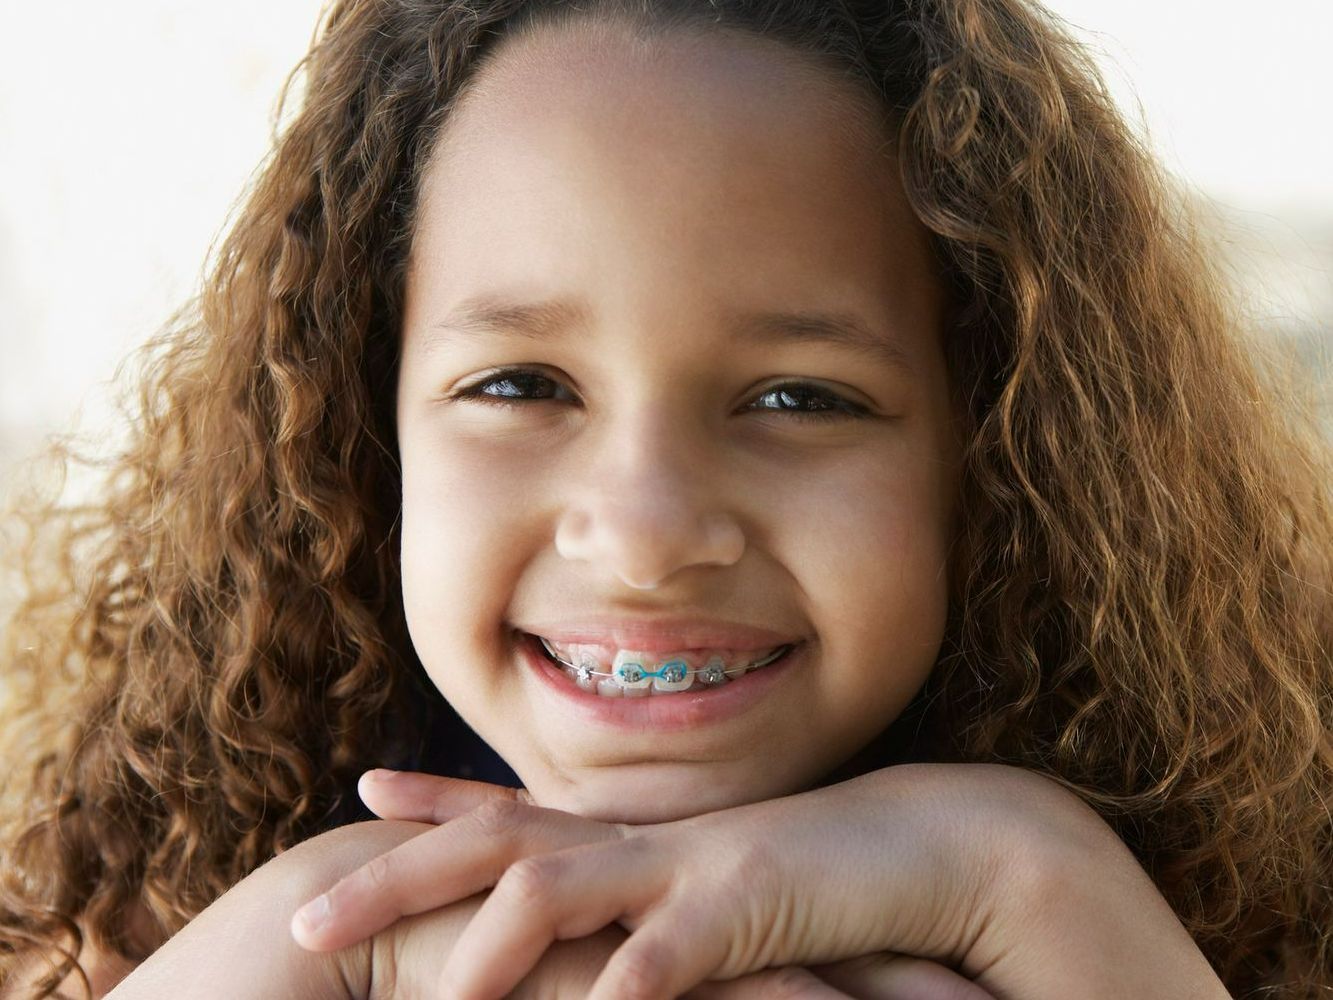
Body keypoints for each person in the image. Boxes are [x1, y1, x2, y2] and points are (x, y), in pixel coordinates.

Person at [0, 0, 1328, 996]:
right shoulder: (140, 919)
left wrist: (1032, 881)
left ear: (994, 455)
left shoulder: (1220, 912)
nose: (640, 536)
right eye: (521, 383)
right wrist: (340, 940)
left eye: (800, 398)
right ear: (362, 435)